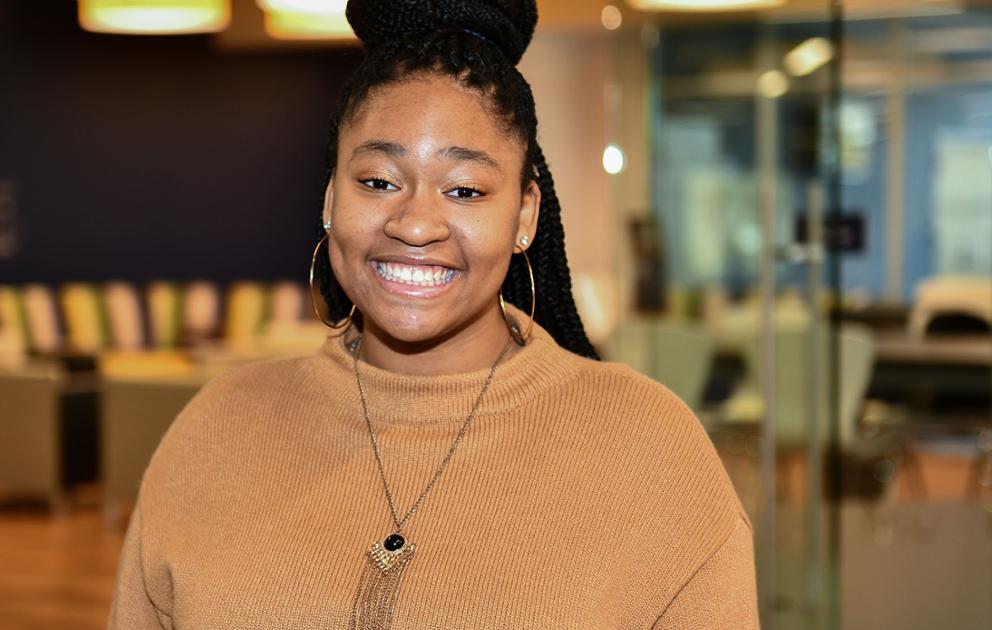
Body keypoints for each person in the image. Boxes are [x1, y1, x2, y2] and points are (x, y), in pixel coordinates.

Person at [108, 0, 758, 627]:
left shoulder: (650, 451)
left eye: (465, 190)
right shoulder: (214, 432)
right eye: (378, 181)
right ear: (330, 199)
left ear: (525, 214)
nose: (416, 224)